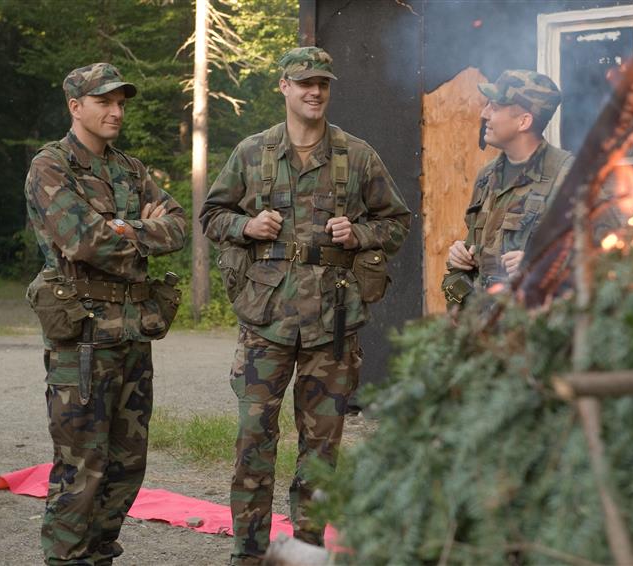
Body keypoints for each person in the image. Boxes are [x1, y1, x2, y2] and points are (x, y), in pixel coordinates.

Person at [200, 46, 411, 564]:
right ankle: (248, 554)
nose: (315, 92)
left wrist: (359, 232)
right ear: (284, 87)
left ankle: (305, 553)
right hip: (265, 321)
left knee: (321, 453)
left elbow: (397, 222)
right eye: (304, 83)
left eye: (323, 84)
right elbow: (210, 214)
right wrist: (245, 225)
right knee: (254, 441)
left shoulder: (356, 155)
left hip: (332, 326)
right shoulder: (253, 152)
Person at [24, 62, 186, 565]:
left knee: (125, 467)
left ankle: (98, 558)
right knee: (81, 470)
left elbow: (178, 226)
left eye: (121, 102)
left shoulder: (131, 169)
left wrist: (121, 227)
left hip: (133, 337)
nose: (116, 111)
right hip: (84, 342)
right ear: (77, 107)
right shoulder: (51, 167)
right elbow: (82, 240)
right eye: (104, 102)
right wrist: (140, 228)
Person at [442, 70, 577, 307]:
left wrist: (543, 267)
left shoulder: (568, 176)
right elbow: (475, 260)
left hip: (539, 334)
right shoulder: (487, 176)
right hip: (487, 331)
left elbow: (608, 258)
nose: (484, 114)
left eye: (494, 107)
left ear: (524, 121)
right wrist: (460, 259)